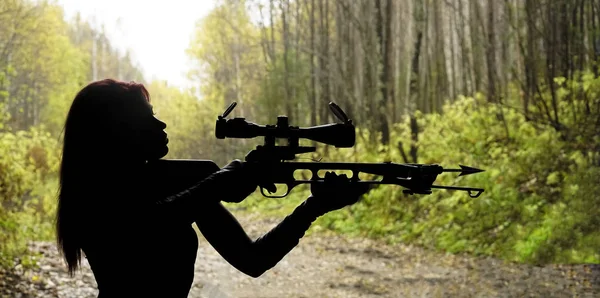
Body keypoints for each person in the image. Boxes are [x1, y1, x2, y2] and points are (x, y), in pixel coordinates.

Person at [55, 78, 371, 297]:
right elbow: (146, 225)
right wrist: (223, 179)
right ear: (115, 131)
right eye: (146, 119)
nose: (161, 125)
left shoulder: (168, 182)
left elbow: (253, 260)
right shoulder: (95, 197)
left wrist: (313, 207)